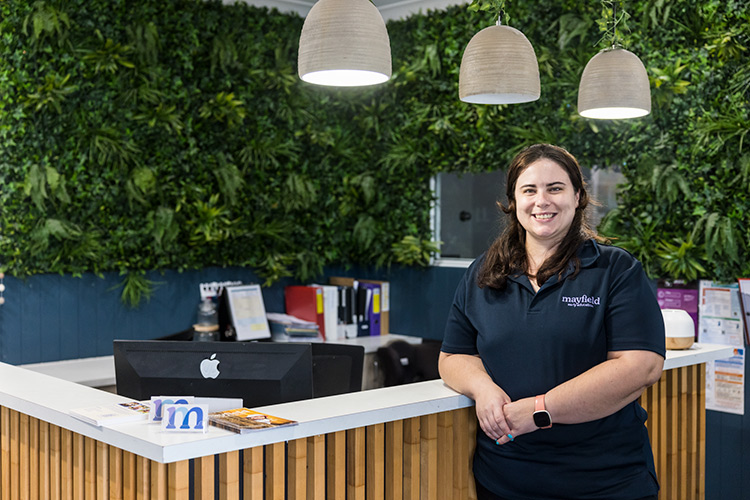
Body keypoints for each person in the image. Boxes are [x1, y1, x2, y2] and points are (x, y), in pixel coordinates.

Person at [438, 144, 666, 500]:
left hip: (605, 482)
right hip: (503, 480)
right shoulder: (483, 273)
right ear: (513, 202)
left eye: (555, 188)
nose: (541, 200)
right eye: (529, 190)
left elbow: (641, 366)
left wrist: (540, 410)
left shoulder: (615, 270)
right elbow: (453, 356)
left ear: (577, 196)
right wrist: (481, 388)